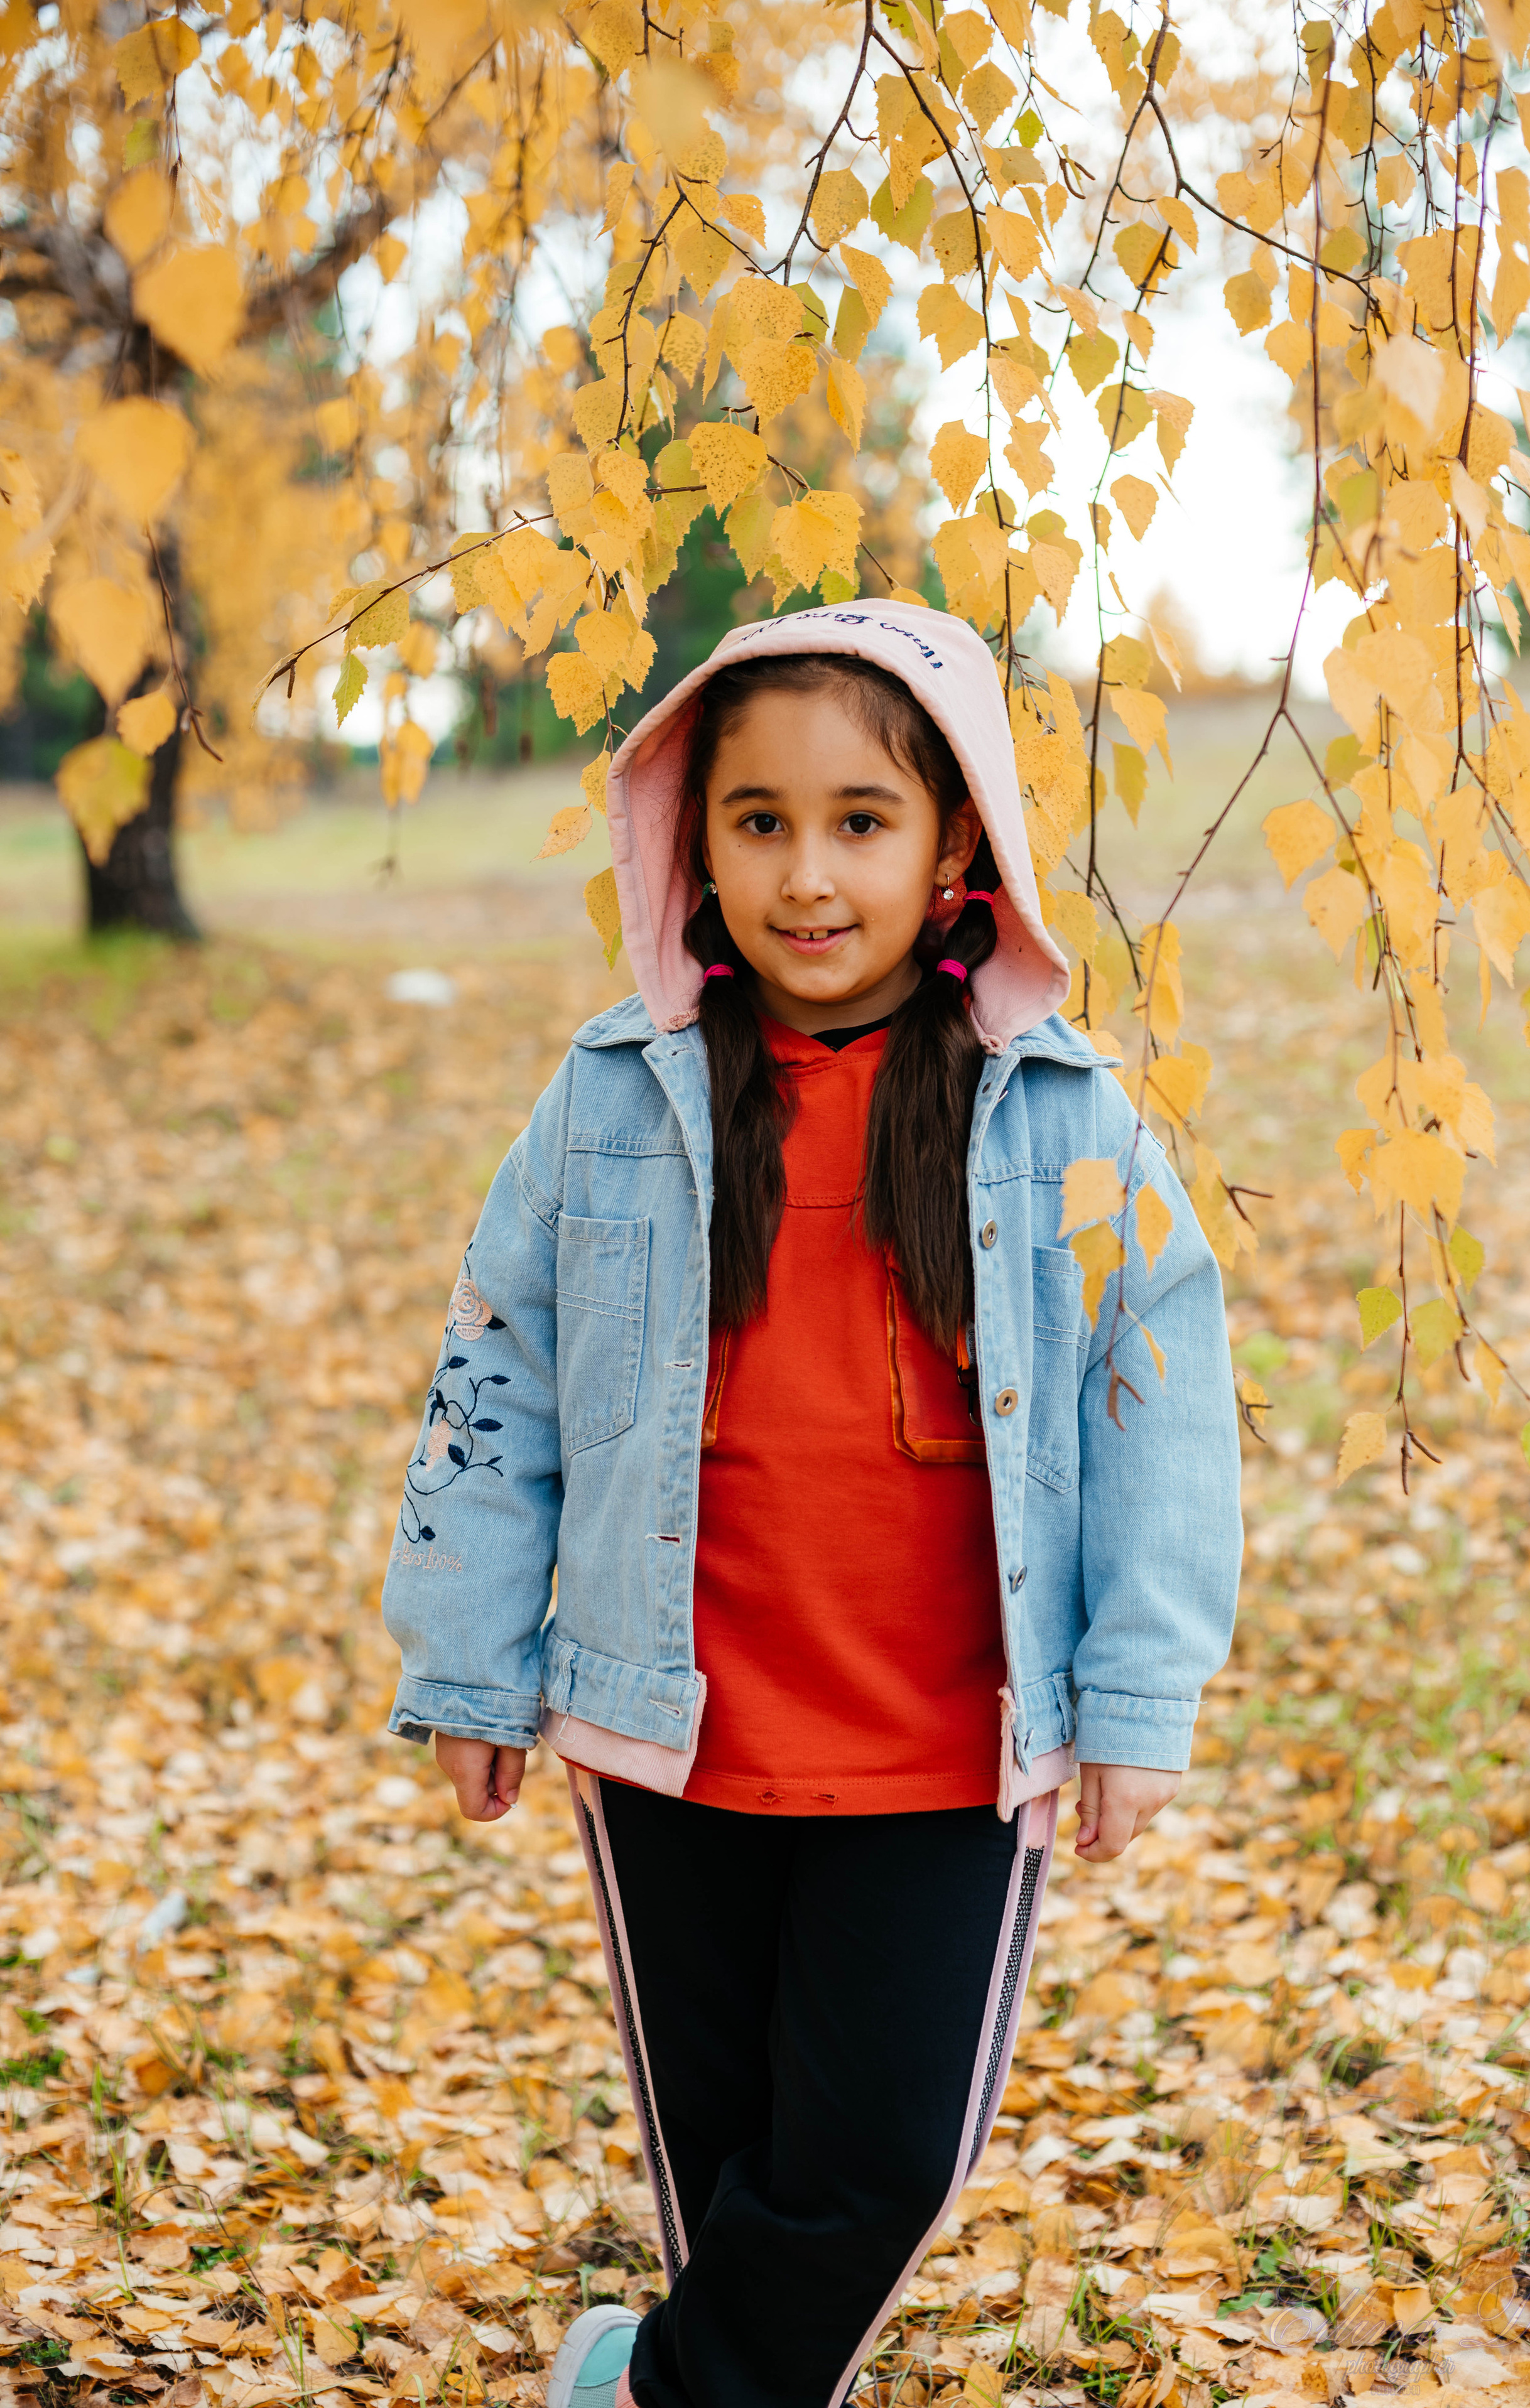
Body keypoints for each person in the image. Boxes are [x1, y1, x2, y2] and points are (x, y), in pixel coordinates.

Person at [381, 601, 1241, 2408]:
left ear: (953, 854)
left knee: (873, 2167)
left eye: (861, 818)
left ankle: (645, 2387)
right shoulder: (617, 1100)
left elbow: (1158, 1393)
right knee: (731, 2178)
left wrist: (1139, 1689)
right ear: (693, 843)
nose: (806, 871)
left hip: (942, 1744)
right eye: (757, 819)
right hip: (673, 1731)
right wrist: (466, 1662)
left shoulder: (1064, 1119)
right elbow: (499, 1366)